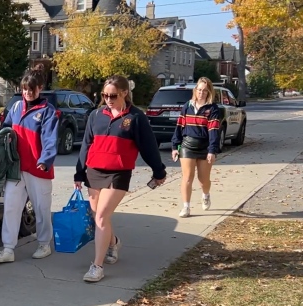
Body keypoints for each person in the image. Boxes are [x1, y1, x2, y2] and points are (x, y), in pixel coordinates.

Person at [74, 75, 167, 283]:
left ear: (125, 93)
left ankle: (96, 266)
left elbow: (149, 147)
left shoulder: (135, 117)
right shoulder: (96, 115)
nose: (108, 99)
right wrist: (79, 172)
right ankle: (113, 243)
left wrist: (158, 171)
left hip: (118, 173)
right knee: (98, 215)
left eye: (113, 95)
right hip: (94, 171)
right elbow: (86, 145)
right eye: (104, 95)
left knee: (100, 218)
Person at [0, 65, 60, 263]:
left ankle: (44, 243)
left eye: (32, 89)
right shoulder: (15, 107)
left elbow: (50, 139)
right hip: (16, 166)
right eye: (25, 89)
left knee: (41, 208)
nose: (28, 93)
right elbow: (6, 129)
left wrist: (45, 161)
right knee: (11, 206)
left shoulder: (48, 111)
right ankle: (8, 249)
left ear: (40, 88)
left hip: (38, 168)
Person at [171, 77, 221, 218]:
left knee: (203, 179)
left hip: (204, 146)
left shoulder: (212, 108)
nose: (201, 93)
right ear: (195, 90)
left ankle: (205, 195)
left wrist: (212, 150)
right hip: (187, 145)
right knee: (187, 177)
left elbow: (213, 130)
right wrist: (175, 146)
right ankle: (186, 207)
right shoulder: (187, 105)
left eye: (204, 90)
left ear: (209, 92)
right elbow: (180, 126)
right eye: (199, 90)